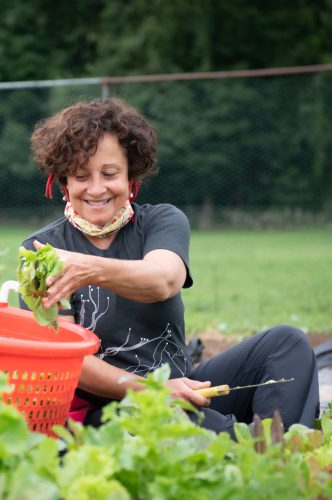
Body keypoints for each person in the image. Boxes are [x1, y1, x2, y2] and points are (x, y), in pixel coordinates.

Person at [19, 97, 319, 437]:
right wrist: (154, 392)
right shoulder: (41, 252)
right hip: (113, 413)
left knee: (287, 343)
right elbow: (66, 362)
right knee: (176, 420)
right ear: (64, 183)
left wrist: (84, 268)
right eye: (81, 176)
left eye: (110, 173)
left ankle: (280, 450)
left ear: (131, 175)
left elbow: (162, 280)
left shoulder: (161, 221)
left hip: (185, 392)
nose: (97, 188)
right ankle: (250, 454)